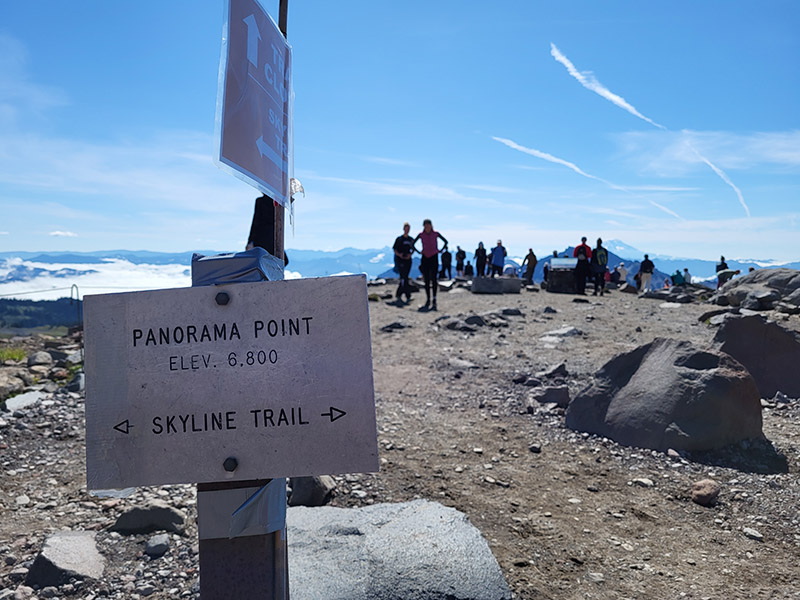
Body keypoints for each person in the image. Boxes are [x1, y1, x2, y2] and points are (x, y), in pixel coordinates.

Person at [413, 219, 448, 311]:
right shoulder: (421, 235)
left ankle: (434, 299)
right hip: (425, 258)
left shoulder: (436, 234)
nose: (427, 227)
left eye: (428, 226)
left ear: (431, 226)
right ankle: (428, 299)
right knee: (427, 280)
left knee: (434, 279)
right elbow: (413, 244)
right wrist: (419, 252)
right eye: (425, 226)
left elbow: (445, 242)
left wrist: (440, 250)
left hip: (434, 257)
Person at [392, 222, 415, 304]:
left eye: (408, 228)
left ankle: (400, 294)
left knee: (405, 277)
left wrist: (410, 254)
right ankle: (406, 295)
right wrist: (400, 255)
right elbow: (394, 249)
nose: (407, 230)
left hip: (408, 260)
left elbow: (414, 249)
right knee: (403, 277)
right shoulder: (399, 239)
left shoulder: (411, 239)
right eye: (406, 228)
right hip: (400, 260)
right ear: (403, 229)